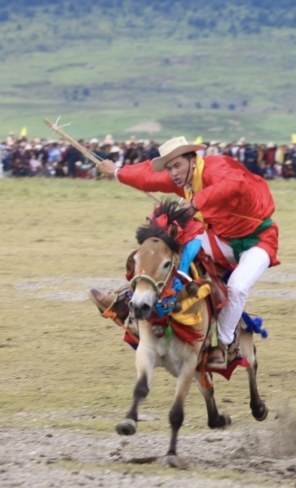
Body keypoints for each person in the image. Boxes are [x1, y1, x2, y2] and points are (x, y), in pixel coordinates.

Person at [91, 136, 280, 366]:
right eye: (169, 168)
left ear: (193, 159)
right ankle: (132, 299)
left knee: (237, 287)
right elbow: (148, 176)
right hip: (221, 238)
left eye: (177, 165)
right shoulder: (182, 178)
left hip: (258, 240)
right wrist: (117, 171)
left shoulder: (216, 167)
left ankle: (224, 344)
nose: (173, 173)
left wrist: (196, 202)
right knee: (173, 242)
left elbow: (236, 183)